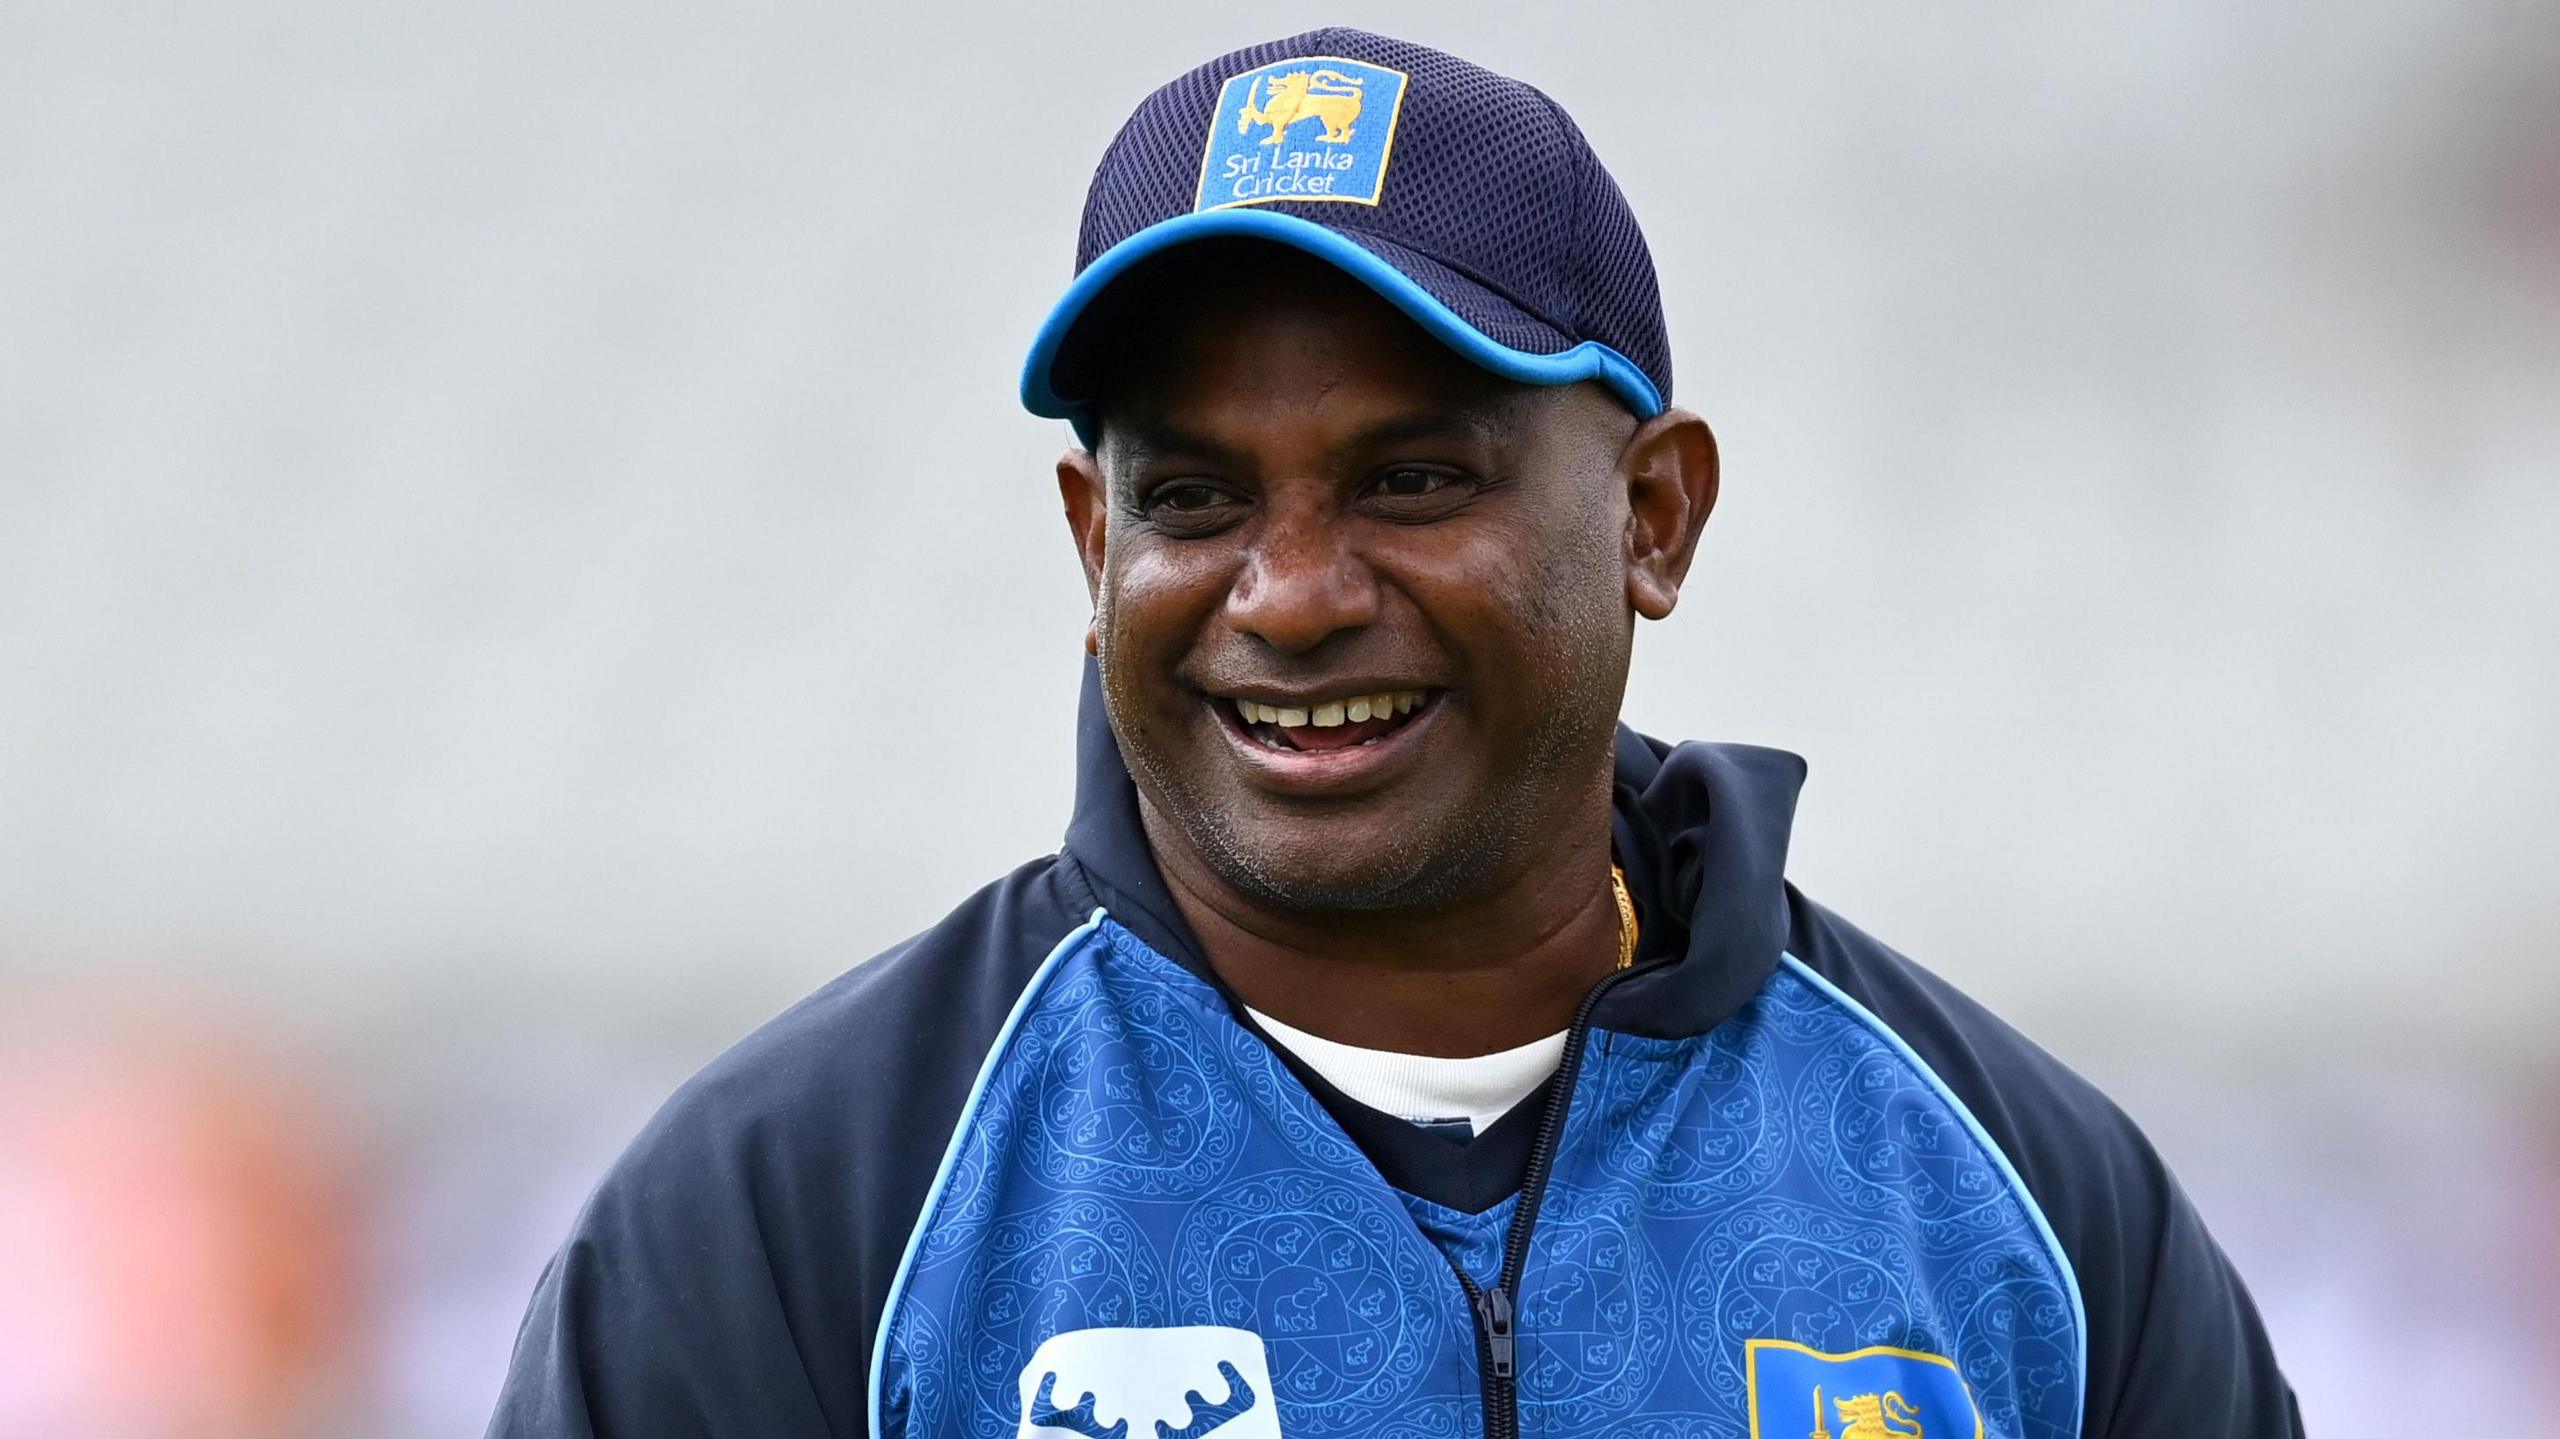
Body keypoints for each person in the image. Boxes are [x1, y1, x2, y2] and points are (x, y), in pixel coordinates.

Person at [490, 28, 2300, 1439]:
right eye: (1194, 499)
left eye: (1415, 479)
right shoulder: (802, 1208)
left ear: (1655, 517)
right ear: (1093, 545)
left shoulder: (2018, 1208)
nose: (1288, 596)